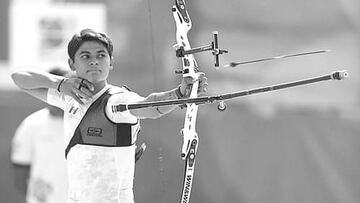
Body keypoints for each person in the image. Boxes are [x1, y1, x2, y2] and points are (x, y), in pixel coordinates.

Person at [11, 28, 208, 203]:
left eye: (101, 55)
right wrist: (60, 84)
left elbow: (149, 106)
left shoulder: (117, 100)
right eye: (85, 56)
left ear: (111, 62)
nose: (94, 61)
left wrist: (179, 94)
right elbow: (19, 78)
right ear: (72, 63)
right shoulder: (69, 97)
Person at [11, 68, 69, 203]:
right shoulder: (31, 124)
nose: (58, 96)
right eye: (54, 90)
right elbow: (20, 172)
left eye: (63, 90)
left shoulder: (85, 121)